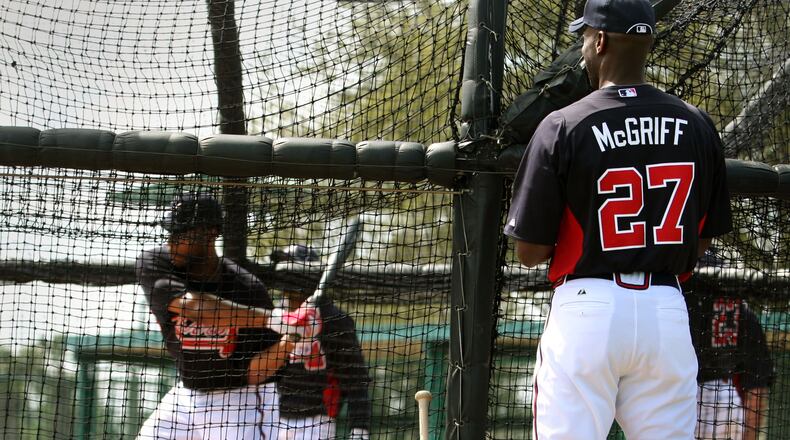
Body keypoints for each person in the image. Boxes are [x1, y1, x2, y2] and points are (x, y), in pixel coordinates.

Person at [503, 0, 733, 438]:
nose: (584, 47)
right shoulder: (698, 124)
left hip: (588, 309)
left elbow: (529, 252)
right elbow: (701, 239)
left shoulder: (563, 124)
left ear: (601, 40)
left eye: (586, 37)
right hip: (666, 312)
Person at [135, 194, 316, 440]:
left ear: (210, 233)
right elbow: (195, 308)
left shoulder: (248, 288)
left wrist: (291, 339)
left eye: (181, 233)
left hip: (241, 401)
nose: (172, 241)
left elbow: (255, 373)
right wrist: (276, 320)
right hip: (186, 396)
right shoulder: (156, 262)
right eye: (171, 232)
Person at [271, 245, 372, 440]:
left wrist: (360, 431)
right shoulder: (275, 316)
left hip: (316, 423)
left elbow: (356, 380)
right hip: (271, 417)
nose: (285, 275)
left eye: (291, 267)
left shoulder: (334, 320)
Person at [685, 271, 774, 439]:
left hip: (682, 394)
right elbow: (757, 386)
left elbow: (757, 384)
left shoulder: (673, 299)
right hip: (722, 399)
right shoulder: (741, 310)